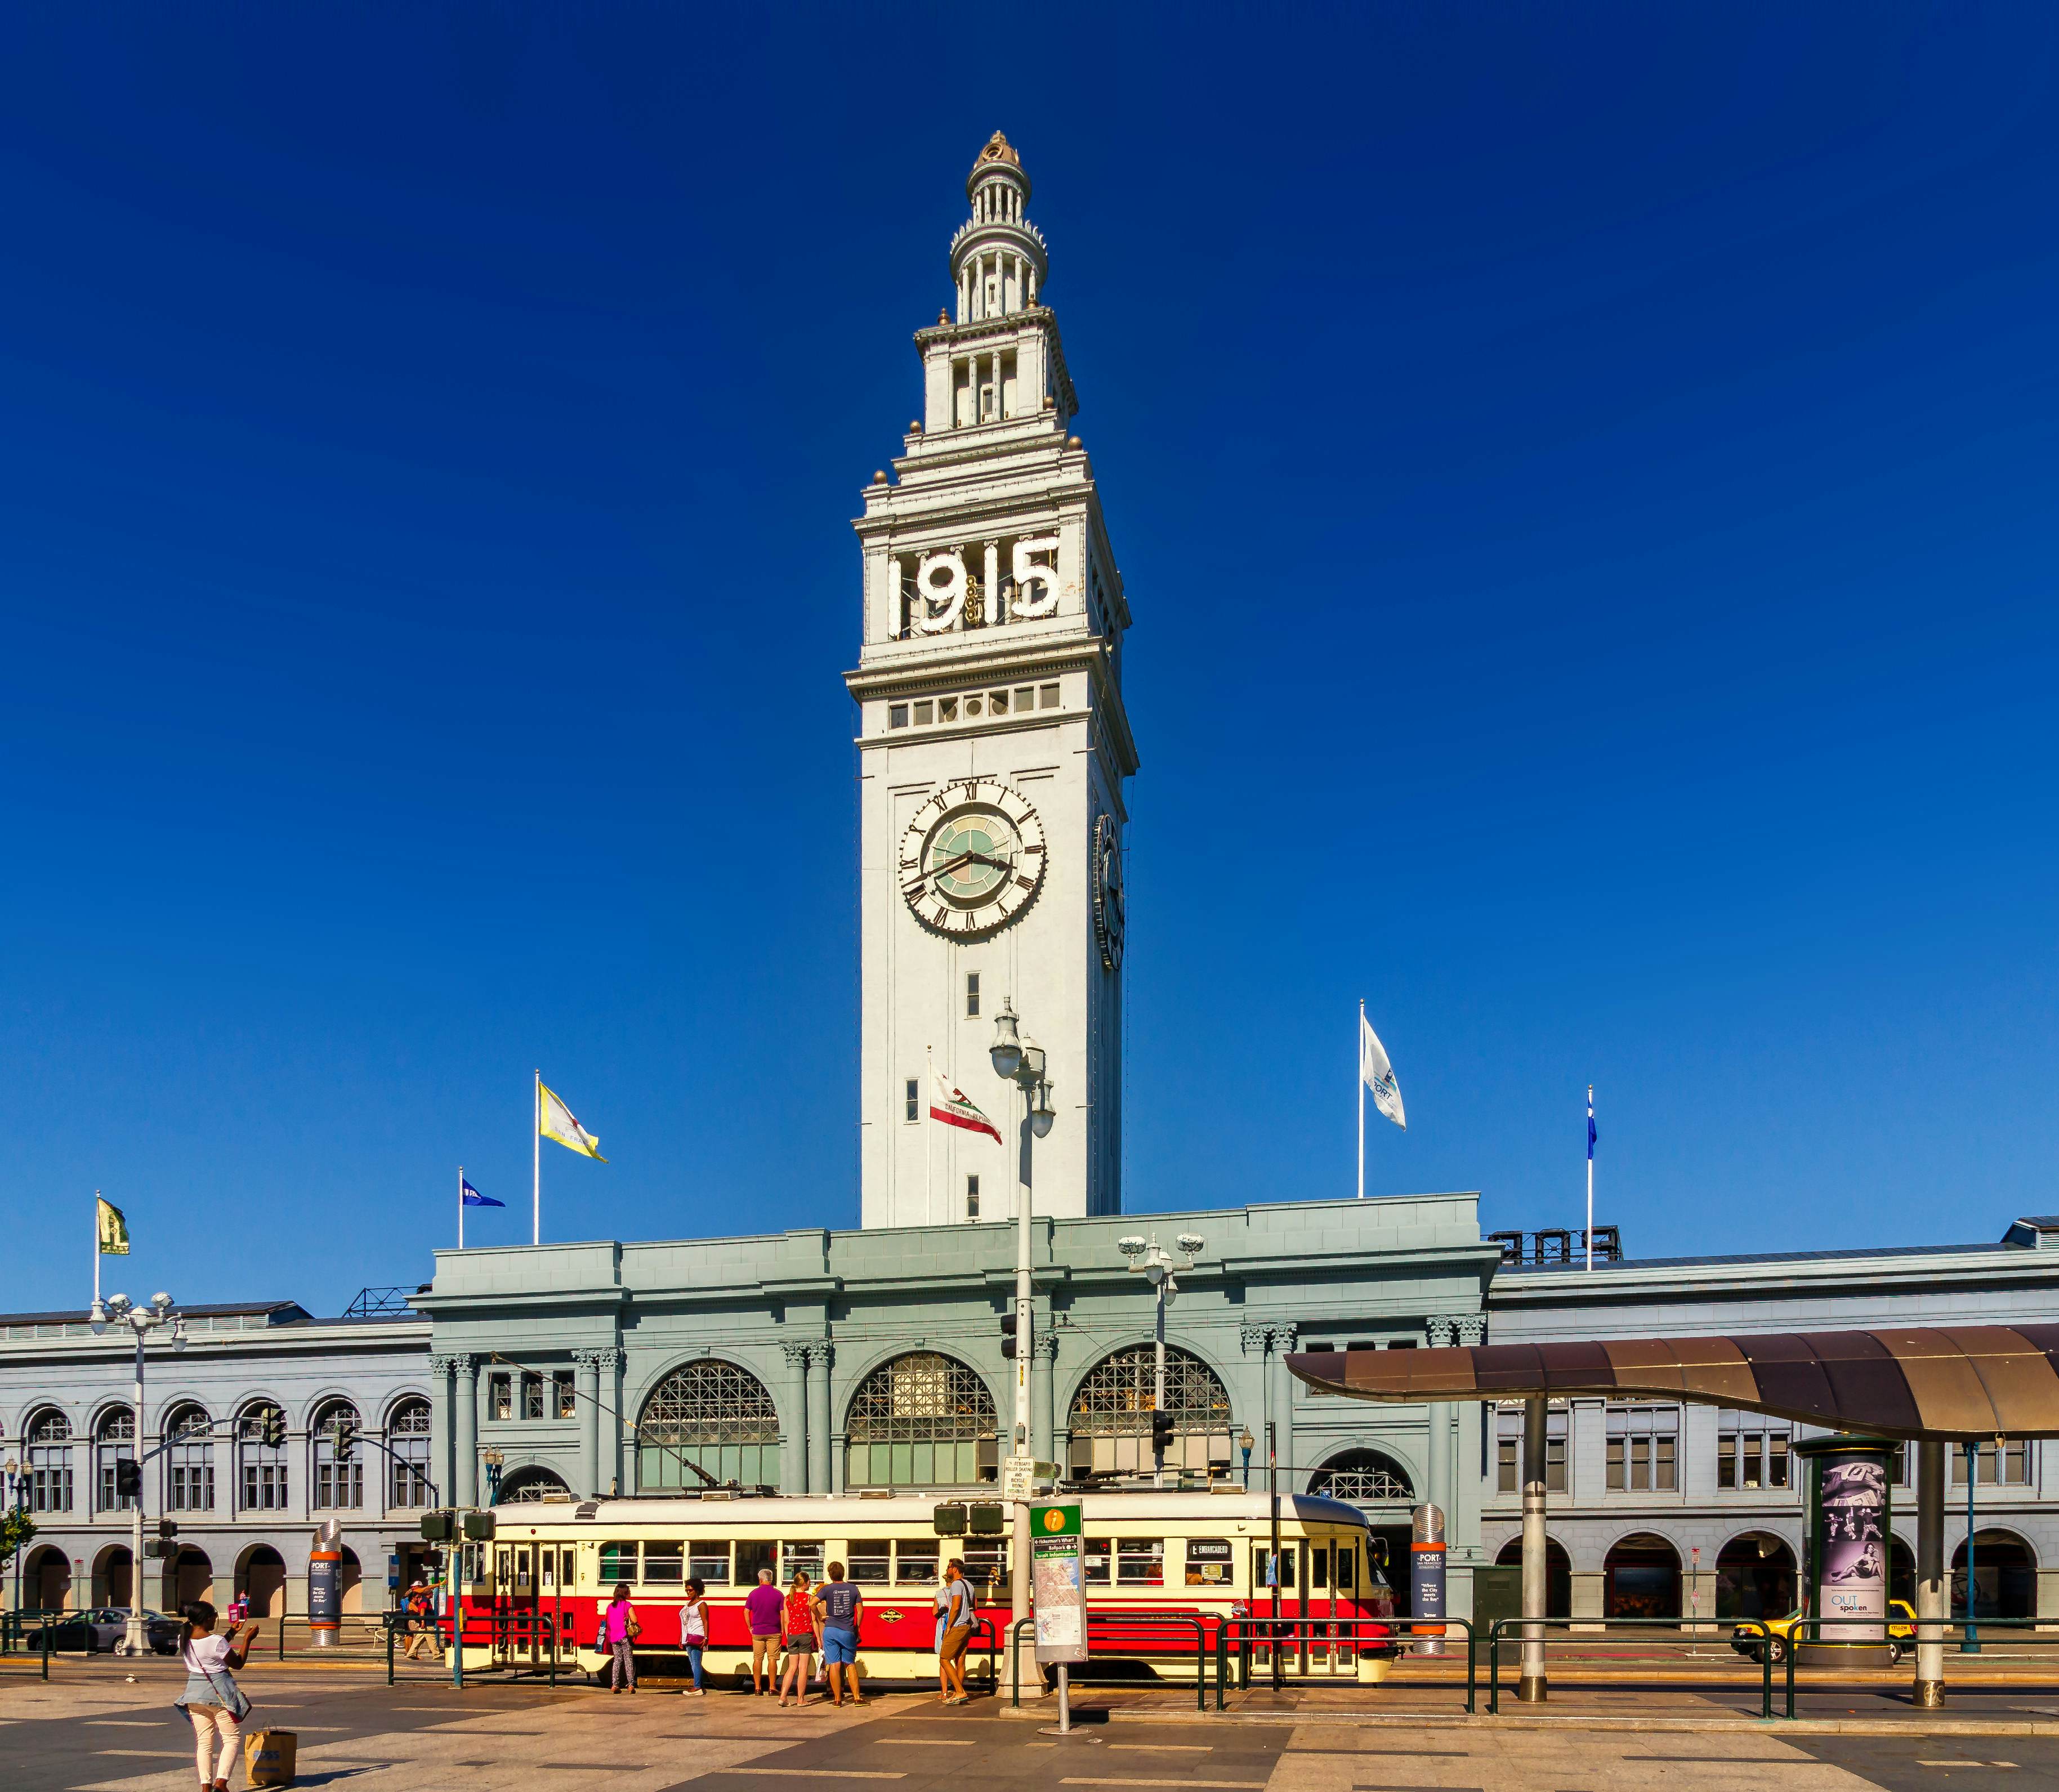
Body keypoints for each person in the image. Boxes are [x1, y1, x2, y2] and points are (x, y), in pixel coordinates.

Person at [175, 1601, 256, 1792]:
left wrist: (232, 1633)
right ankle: (221, 1783)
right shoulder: (215, 1641)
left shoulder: (184, 1638)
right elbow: (238, 1663)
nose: (215, 1620)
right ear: (207, 1619)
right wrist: (247, 1640)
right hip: (218, 1696)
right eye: (214, 1617)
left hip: (194, 1695)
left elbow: (211, 1649)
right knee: (231, 1739)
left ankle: (205, 1787)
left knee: (204, 1742)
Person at [814, 1561, 865, 1708]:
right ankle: (856, 1698)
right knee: (850, 1664)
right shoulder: (853, 1589)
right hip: (847, 1630)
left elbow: (811, 1604)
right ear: (844, 1573)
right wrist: (857, 1627)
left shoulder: (827, 1589)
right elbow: (860, 1611)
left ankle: (837, 1699)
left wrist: (820, 1617)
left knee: (834, 1665)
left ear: (830, 1575)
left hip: (830, 1631)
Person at [935, 1557, 977, 1705]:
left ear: (955, 1569)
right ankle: (957, 1692)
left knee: (944, 1659)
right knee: (960, 1660)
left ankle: (960, 1692)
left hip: (958, 1626)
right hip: (967, 1627)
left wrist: (949, 1627)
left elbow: (956, 1606)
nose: (947, 1570)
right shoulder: (970, 1585)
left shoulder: (956, 1585)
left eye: (949, 1567)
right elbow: (974, 1606)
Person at [776, 1570, 817, 1708]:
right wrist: (817, 1637)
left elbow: (786, 1621)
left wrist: (788, 1636)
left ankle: (783, 1697)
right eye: (809, 1582)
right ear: (804, 1584)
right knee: (803, 1668)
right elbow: (813, 1620)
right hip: (805, 1634)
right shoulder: (809, 1599)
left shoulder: (788, 1598)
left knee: (792, 1667)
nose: (810, 1584)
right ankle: (801, 1699)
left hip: (792, 1635)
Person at [743, 1566, 783, 1695]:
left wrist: (750, 1627)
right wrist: (782, 1630)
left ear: (761, 1580)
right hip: (774, 1631)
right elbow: (782, 1614)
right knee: (772, 1659)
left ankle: (758, 1688)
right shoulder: (778, 1594)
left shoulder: (753, 1594)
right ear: (771, 1580)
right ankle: (772, 1687)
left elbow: (746, 1612)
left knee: (758, 1659)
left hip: (758, 1631)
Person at [604, 1582, 639, 1693]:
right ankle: (630, 1685)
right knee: (628, 1660)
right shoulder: (627, 1605)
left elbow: (607, 1621)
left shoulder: (610, 1606)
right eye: (628, 1592)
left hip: (614, 1638)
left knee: (617, 1661)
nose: (630, 1593)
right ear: (625, 1593)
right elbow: (635, 1620)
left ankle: (615, 1685)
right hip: (624, 1636)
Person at [679, 1577, 710, 1696]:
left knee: (696, 1662)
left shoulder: (701, 1604)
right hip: (687, 1637)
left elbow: (705, 1621)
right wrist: (680, 1637)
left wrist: (706, 1638)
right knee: (693, 1663)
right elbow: (684, 1622)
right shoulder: (687, 1604)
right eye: (686, 1590)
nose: (688, 1592)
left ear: (696, 1590)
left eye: (690, 1590)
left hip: (697, 1636)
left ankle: (697, 1687)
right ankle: (701, 1686)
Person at [401, 1581, 440, 1661]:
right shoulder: (425, 1600)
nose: (432, 1595)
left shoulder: (423, 1599)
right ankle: (436, 1654)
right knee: (432, 1638)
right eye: (432, 1594)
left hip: (425, 1622)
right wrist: (423, 1621)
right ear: (429, 1594)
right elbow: (422, 1610)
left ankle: (411, 1653)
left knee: (418, 1639)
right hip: (427, 1622)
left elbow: (428, 1587)